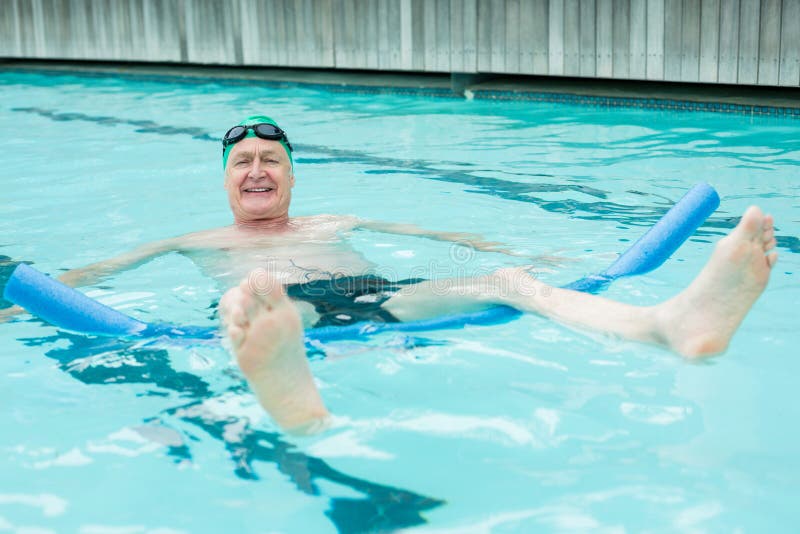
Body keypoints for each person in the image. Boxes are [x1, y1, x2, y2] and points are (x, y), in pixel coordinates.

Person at [3, 115, 778, 435]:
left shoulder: (334, 223)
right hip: (276, 305)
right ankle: (292, 395)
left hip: (374, 296)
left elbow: (444, 234)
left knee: (506, 282)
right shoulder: (194, 238)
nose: (257, 170)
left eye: (272, 160)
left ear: (293, 178)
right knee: (252, 300)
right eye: (242, 163)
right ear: (227, 182)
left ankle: (667, 325)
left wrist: (526, 259)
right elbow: (96, 272)